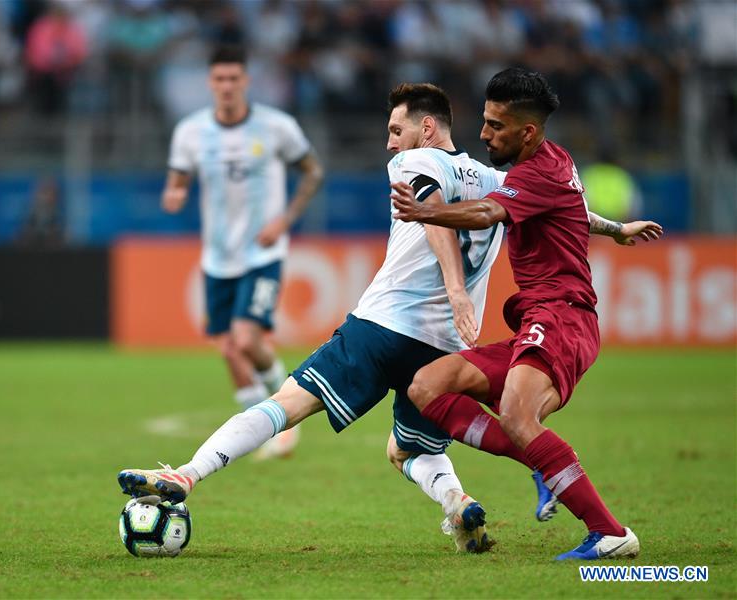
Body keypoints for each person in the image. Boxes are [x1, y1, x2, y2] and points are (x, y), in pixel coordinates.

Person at [121, 82, 555, 554]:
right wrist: (616, 229)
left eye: (396, 129)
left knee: (286, 404)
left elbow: (430, 214)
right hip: (444, 347)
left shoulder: (416, 161)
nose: (390, 142)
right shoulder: (494, 181)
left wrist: (455, 289)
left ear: (427, 127)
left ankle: (187, 473)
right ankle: (457, 502)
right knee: (407, 449)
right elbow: (568, 210)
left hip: (383, 326)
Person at [389, 68, 663, 561]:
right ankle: (541, 462)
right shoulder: (553, 161)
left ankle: (610, 532)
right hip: (539, 319)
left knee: (517, 415)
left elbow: (484, 214)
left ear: (527, 132)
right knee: (427, 385)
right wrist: (617, 228)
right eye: (485, 120)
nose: (483, 133)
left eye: (495, 125)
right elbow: (574, 211)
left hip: (562, 316)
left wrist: (424, 212)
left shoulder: (537, 172)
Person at [160, 45, 324, 458]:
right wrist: (174, 193)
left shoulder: (275, 127)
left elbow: (312, 171)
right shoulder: (191, 131)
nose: (228, 86)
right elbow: (177, 178)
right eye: (220, 79)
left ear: (246, 81)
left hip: (262, 253)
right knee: (229, 347)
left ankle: (287, 408)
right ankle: (268, 429)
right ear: (210, 83)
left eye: (235, 79)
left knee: (247, 338)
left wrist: (284, 221)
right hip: (217, 258)